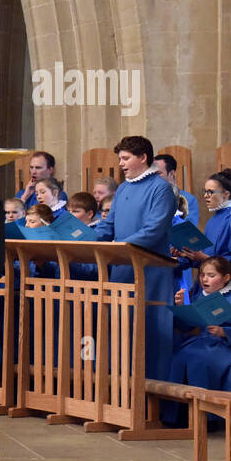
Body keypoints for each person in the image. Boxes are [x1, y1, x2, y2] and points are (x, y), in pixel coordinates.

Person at [94, 135, 176, 379]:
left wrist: (119, 246)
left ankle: (151, 403)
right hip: (122, 270)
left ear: (143, 158)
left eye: (126, 158)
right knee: (121, 333)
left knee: (148, 334)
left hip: (150, 272)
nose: (121, 163)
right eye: (120, 158)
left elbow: (153, 230)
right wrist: (82, 240)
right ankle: (119, 397)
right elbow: (108, 226)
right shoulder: (125, 188)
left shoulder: (161, 189)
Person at [169, 256, 231, 396]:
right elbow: (187, 327)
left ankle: (211, 413)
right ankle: (182, 413)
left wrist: (224, 331)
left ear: (226, 277)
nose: (204, 279)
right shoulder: (200, 297)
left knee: (203, 360)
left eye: (211, 275)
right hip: (204, 342)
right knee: (180, 356)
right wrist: (181, 307)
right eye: (202, 275)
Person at [173, 168, 231, 292]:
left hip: (226, 286)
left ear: (226, 194)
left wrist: (204, 258)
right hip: (207, 285)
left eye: (211, 192)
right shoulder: (212, 221)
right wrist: (188, 254)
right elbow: (206, 256)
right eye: (205, 191)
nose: (206, 196)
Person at [154, 154, 198, 225]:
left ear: (171, 173)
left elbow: (189, 231)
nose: (154, 177)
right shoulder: (150, 197)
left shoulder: (189, 200)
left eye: (158, 173)